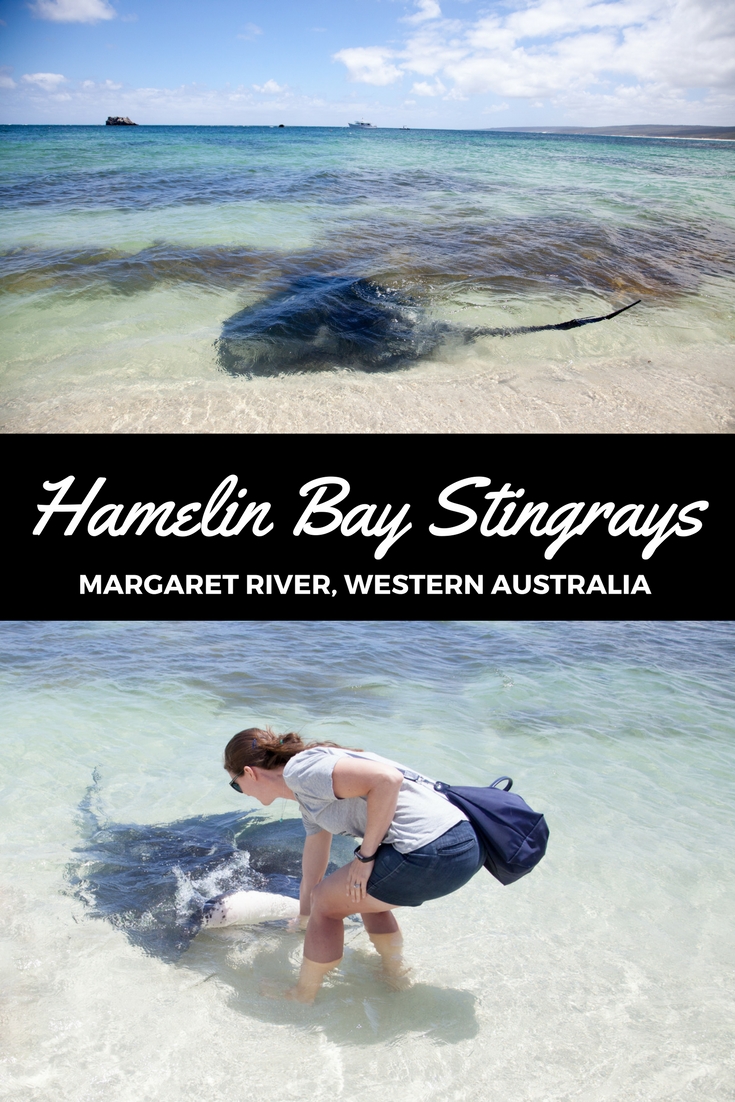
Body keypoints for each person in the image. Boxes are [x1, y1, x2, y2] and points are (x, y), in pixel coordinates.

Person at [224, 727, 484, 1003]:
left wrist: (366, 857)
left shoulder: (301, 771)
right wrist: (304, 917)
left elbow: (387, 780)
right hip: (465, 848)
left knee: (327, 901)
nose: (240, 790)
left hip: (430, 850)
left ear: (249, 772)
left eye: (235, 784)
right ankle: (394, 973)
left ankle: (303, 994)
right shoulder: (308, 796)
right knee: (356, 893)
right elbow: (314, 860)